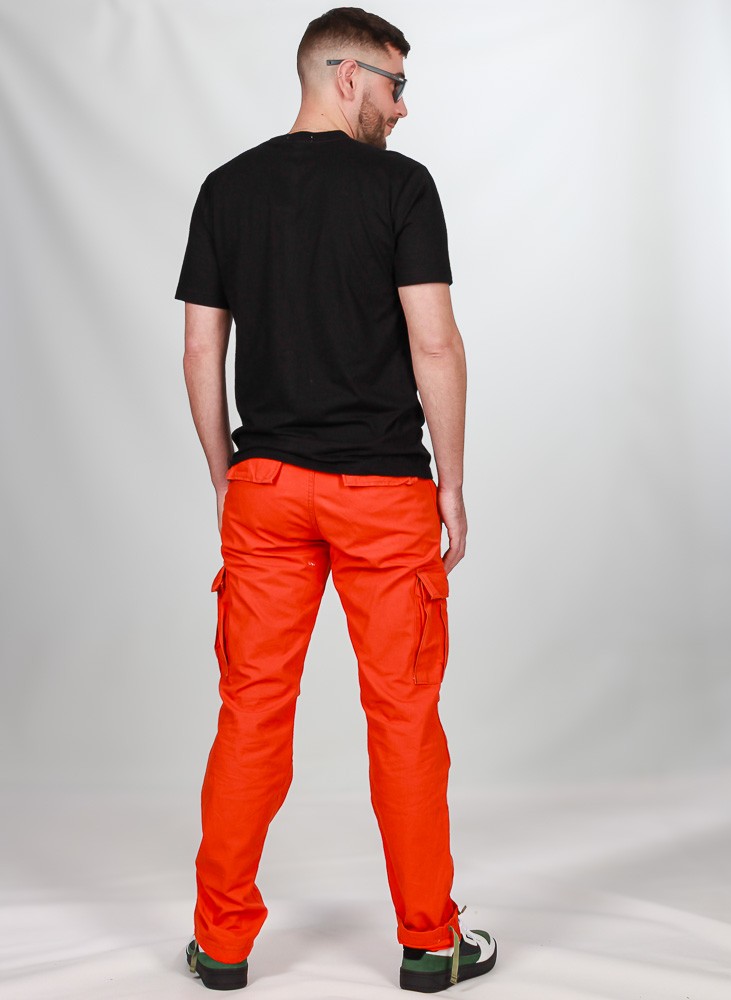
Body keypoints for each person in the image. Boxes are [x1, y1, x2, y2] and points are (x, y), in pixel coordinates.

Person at [174, 6, 497, 993]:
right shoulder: (401, 189)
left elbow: (200, 348)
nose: (403, 110)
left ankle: (222, 944)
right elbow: (434, 341)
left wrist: (227, 474)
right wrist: (452, 481)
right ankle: (430, 944)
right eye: (396, 86)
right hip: (384, 495)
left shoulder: (227, 188)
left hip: (266, 491)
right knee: (404, 717)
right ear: (347, 75)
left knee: (250, 712)